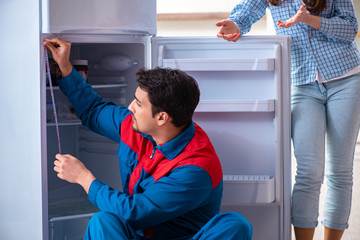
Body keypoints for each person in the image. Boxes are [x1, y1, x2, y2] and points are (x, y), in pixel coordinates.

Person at [44, 38, 253, 240]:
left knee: (234, 224)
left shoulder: (195, 168)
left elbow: (136, 212)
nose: (130, 108)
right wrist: (65, 67)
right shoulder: (136, 126)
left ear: (162, 117)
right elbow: (93, 110)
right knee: (103, 221)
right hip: (138, 236)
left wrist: (84, 178)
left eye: (138, 104)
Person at [216, 0, 360, 239]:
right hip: (300, 83)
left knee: (340, 172)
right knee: (308, 172)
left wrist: (309, 19)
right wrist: (235, 23)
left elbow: (349, 29)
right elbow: (249, 9)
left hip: (345, 78)